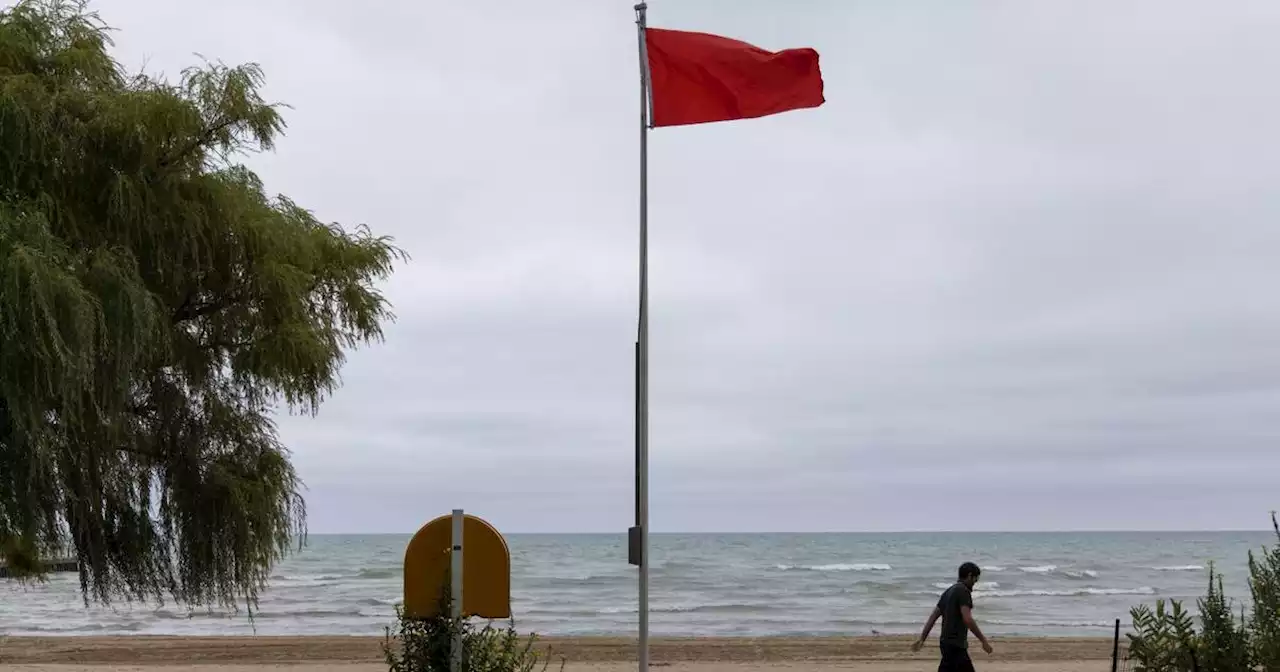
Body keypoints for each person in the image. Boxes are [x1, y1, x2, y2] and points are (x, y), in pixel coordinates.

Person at [911, 561, 992, 672]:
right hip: (956, 645)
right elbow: (967, 619)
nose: (975, 582)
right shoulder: (963, 591)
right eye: (975, 579)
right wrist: (983, 641)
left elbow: (933, 617)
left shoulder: (948, 592)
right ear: (969, 575)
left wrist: (922, 639)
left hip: (945, 644)